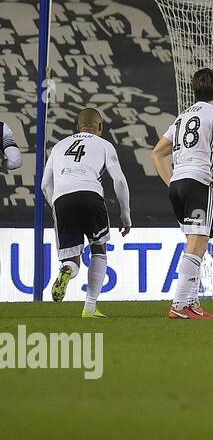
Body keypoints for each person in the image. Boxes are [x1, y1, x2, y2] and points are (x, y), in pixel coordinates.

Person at [150, 68, 213, 320]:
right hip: (199, 182)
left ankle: (191, 301)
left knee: (197, 242)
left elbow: (157, 154)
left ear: (194, 90)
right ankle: (179, 304)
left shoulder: (182, 117)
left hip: (179, 183)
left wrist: (172, 181)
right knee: (197, 244)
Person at [42, 108, 131, 318]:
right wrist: (125, 214)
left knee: (71, 260)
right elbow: (119, 180)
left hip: (62, 199)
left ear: (77, 127)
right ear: (100, 128)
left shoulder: (59, 146)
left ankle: (67, 271)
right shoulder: (104, 145)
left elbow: (45, 185)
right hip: (90, 195)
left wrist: (56, 205)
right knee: (99, 250)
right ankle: (89, 308)